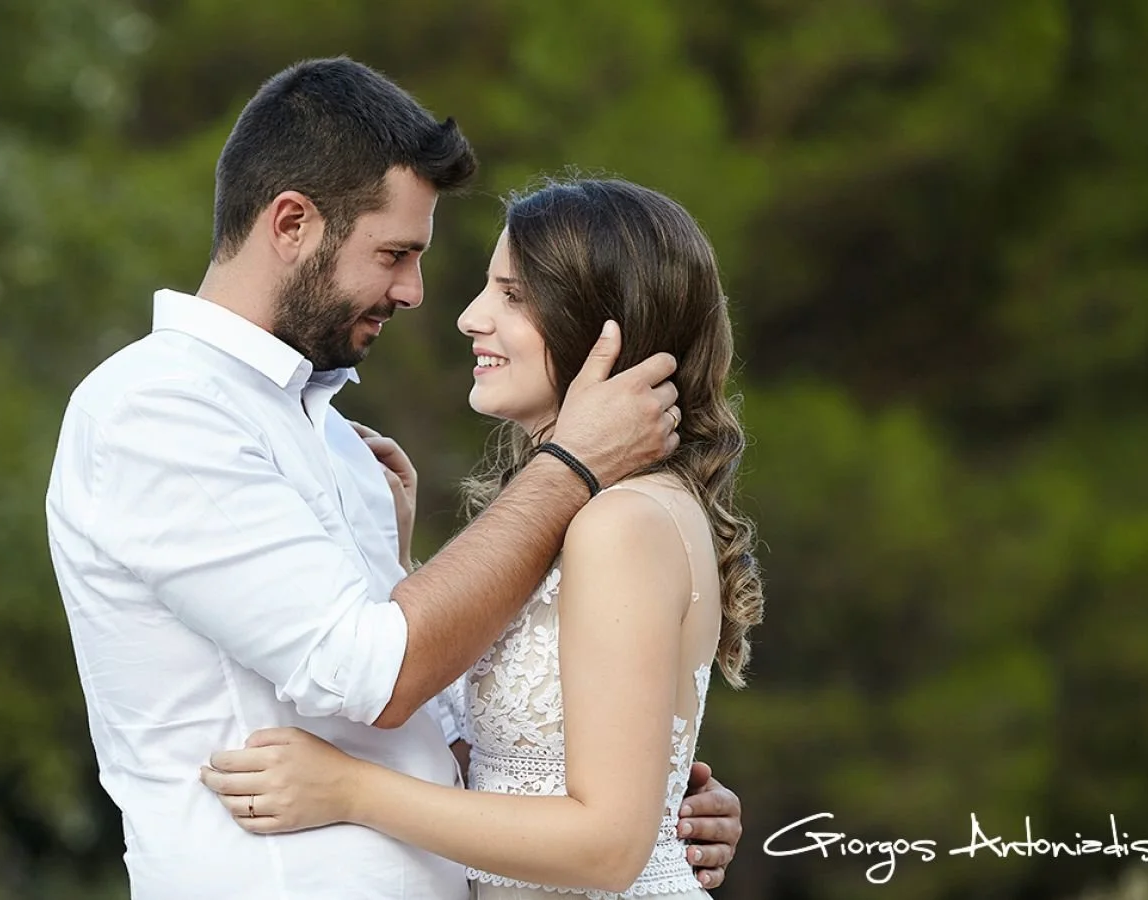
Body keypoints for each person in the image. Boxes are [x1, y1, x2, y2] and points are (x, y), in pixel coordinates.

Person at [45, 57, 740, 900]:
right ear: (292, 223)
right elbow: (368, 673)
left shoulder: (338, 439)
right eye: (394, 253)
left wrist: (648, 801)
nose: (419, 294)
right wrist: (570, 467)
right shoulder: (155, 410)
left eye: (508, 293)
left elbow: (437, 734)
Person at [197, 178, 765, 899]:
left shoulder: (622, 523)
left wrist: (348, 790)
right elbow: (515, 763)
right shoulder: (593, 515)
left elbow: (608, 846)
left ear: (602, 325)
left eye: (512, 296)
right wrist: (394, 564)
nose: (470, 317)